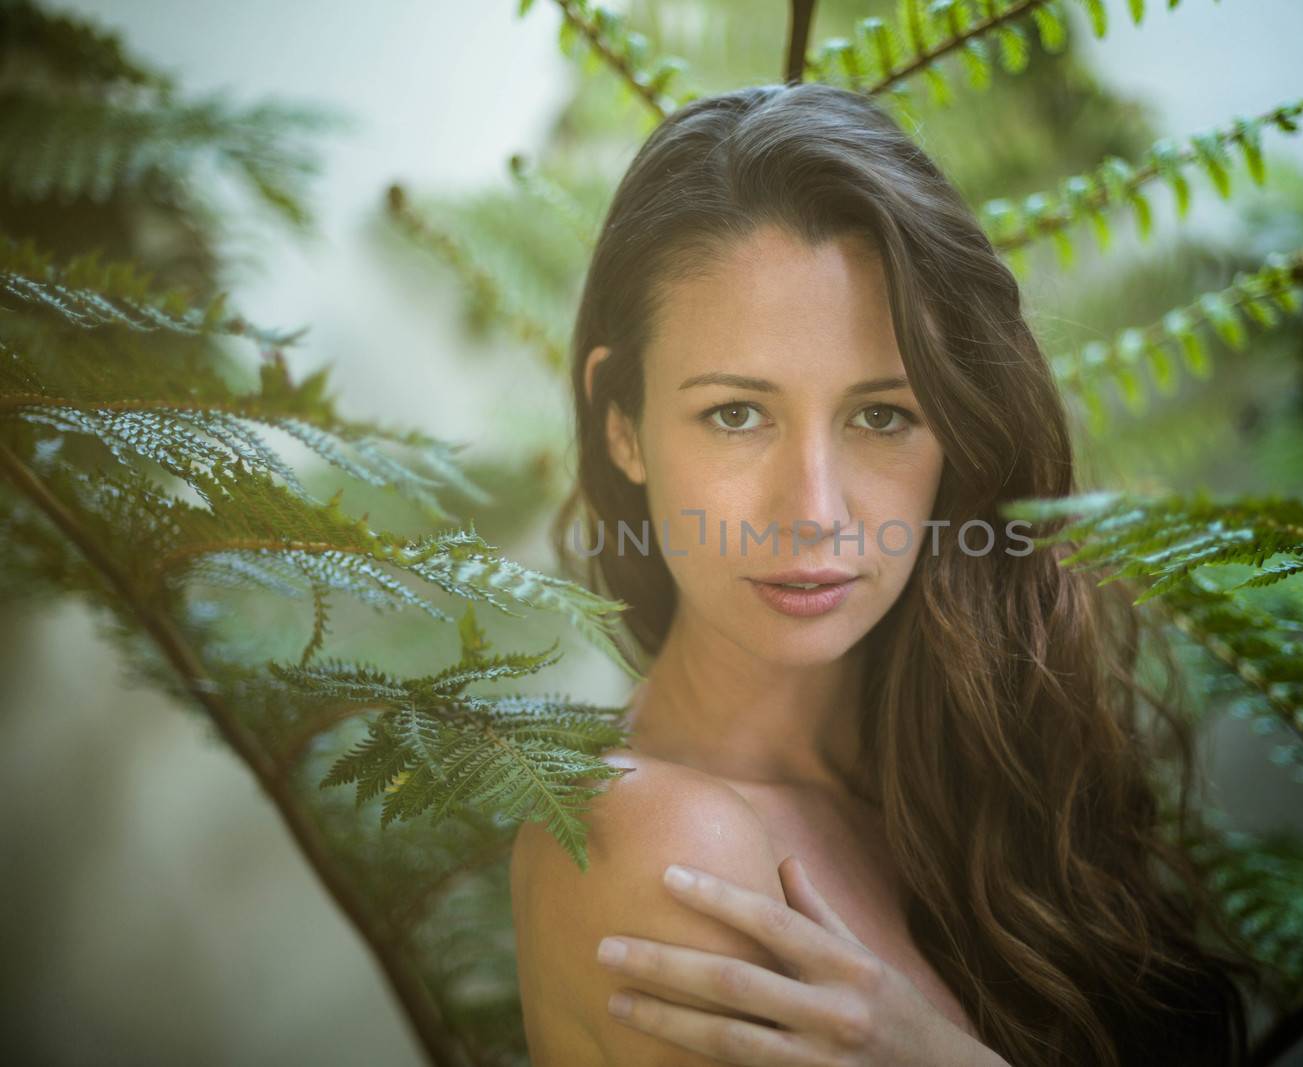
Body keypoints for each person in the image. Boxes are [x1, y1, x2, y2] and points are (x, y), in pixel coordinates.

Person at [510, 81, 1260, 1067]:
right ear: (620, 421)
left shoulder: (983, 769)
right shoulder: (666, 846)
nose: (814, 509)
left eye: (881, 415)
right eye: (737, 413)